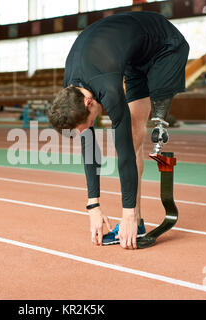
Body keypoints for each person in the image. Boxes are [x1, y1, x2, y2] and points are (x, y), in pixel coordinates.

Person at [48, 11, 189, 250]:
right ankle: (139, 221)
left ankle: (133, 218)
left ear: (88, 102)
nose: (91, 128)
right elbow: (89, 146)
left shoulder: (108, 90)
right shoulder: (71, 90)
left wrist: (127, 214)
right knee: (133, 136)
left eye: (91, 122)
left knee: (130, 136)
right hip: (132, 54)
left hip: (164, 45)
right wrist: (93, 205)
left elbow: (122, 152)